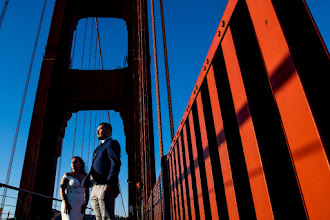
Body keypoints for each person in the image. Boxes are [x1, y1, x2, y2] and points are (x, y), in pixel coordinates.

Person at [84, 122, 121, 220]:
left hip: (105, 186)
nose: (97, 132)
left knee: (107, 217)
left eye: (100, 129)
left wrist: (109, 183)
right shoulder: (97, 149)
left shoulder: (112, 143)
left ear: (108, 131)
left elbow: (115, 164)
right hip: (94, 187)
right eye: (97, 130)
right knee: (98, 218)